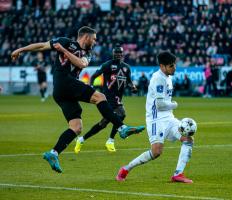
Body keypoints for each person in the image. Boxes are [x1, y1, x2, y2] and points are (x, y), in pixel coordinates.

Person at [11, 26, 145, 173]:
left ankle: (53, 153)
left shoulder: (86, 53)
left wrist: (63, 50)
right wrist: (20, 49)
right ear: (86, 37)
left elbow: (81, 64)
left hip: (62, 92)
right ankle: (122, 128)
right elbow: (42, 45)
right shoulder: (66, 42)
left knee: (76, 127)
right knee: (100, 97)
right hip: (64, 81)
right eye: (93, 39)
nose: (95, 42)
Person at [116, 51, 194, 183]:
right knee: (156, 152)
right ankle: (125, 169)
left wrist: (171, 107)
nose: (174, 68)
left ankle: (178, 174)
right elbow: (159, 105)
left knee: (188, 139)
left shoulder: (168, 77)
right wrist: (174, 104)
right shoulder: (158, 78)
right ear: (162, 66)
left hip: (169, 118)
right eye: (171, 66)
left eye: (174, 65)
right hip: (156, 119)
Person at [74, 45, 138, 153]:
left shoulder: (126, 67)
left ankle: (81, 139)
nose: (118, 55)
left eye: (120, 53)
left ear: (122, 54)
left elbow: (129, 81)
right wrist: (91, 87)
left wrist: (132, 87)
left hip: (118, 97)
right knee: (121, 113)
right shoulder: (108, 65)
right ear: (113, 54)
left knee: (103, 123)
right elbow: (94, 76)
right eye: (116, 53)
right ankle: (111, 140)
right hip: (108, 96)